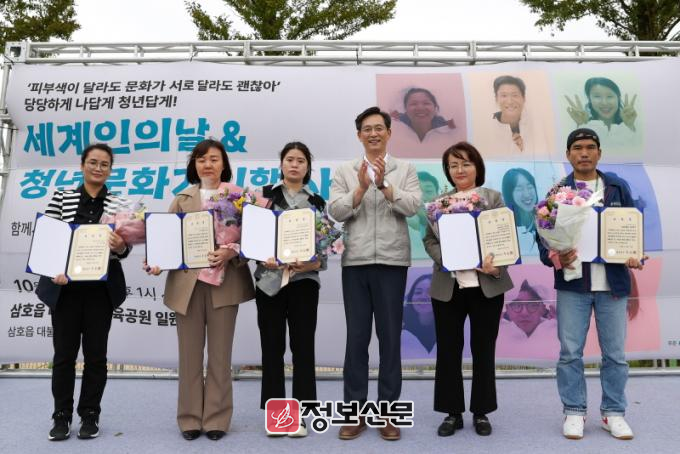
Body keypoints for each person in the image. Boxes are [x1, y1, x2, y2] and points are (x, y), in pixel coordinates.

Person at [537, 128, 649, 440]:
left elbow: (631, 228)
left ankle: (613, 412)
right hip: (574, 284)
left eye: (590, 147)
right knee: (570, 353)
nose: (584, 153)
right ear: (568, 154)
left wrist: (633, 254)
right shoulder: (558, 192)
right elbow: (542, 239)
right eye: (577, 148)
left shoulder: (616, 187)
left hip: (612, 284)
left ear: (599, 153)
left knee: (615, 355)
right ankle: (574, 411)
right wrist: (557, 255)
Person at [146, 139, 255, 441]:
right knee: (189, 355)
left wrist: (232, 251)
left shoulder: (239, 197)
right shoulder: (182, 198)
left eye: (214, 159)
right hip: (188, 285)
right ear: (194, 165)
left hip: (225, 284)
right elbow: (167, 241)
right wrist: (157, 262)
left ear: (224, 164)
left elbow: (255, 239)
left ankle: (217, 418)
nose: (208, 164)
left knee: (220, 355)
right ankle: (190, 418)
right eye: (201, 159)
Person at [329, 106, 421, 441]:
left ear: (388, 133)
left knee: (390, 339)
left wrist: (384, 186)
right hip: (356, 262)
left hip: (392, 262)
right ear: (359, 135)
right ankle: (354, 413)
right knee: (356, 339)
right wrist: (359, 188)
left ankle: (387, 414)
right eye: (366, 129)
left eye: (379, 128)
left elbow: (412, 207)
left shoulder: (405, 169)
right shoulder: (344, 170)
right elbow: (335, 210)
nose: (373, 134)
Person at [37, 143, 131, 441]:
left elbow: (125, 248)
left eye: (104, 164)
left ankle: (90, 414)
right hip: (64, 290)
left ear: (110, 170)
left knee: (96, 356)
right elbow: (48, 239)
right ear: (82, 165)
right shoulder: (61, 197)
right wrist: (54, 269)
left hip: (100, 291)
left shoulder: (118, 203)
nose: (98, 168)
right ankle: (61, 415)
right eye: (93, 162)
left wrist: (121, 246)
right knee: (64, 356)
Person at [422, 141, 514, 437]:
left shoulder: (492, 198)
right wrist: (446, 258)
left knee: (483, 349)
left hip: (487, 286)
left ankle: (481, 411)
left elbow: (503, 236)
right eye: (453, 165)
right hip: (448, 287)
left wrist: (495, 266)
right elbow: (429, 240)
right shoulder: (438, 204)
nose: (459, 170)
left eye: (465, 163)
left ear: (477, 167)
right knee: (448, 350)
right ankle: (452, 412)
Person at [254, 142, 327, 438]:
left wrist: (311, 263)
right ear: (281, 164)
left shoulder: (317, 202)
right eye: (289, 159)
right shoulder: (263, 196)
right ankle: (278, 417)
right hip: (269, 282)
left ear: (308, 167)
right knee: (272, 348)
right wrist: (261, 254)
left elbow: (324, 250)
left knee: (303, 348)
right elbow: (251, 237)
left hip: (304, 283)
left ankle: (301, 415)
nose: (295, 165)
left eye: (300, 160)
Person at [564, 77, 638, 148]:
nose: (604, 103)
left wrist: (629, 126)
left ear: (618, 98)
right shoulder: (584, 125)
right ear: (590, 100)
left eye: (609, 96)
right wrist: (583, 126)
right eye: (597, 96)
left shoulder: (633, 125)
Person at [496, 279, 559, 360]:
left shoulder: (555, 331)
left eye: (532, 305)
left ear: (543, 308)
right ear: (507, 309)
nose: (524, 313)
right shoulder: (500, 331)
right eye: (517, 305)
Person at [487, 75, 549, 156]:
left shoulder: (536, 124)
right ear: (496, 99)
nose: (510, 101)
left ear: (524, 98)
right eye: (504, 95)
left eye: (515, 95)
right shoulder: (488, 126)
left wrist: (523, 150)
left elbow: (542, 154)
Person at [501, 168, 538, 255]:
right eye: (519, 189)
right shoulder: (505, 226)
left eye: (530, 187)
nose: (527, 194)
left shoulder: (547, 217)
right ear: (509, 194)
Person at [401, 273, 436, 359]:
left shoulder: (446, 324)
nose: (423, 297)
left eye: (430, 292)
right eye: (418, 292)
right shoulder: (402, 323)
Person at [407, 171, 440, 259]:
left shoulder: (446, 225)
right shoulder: (403, 230)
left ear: (438, 195)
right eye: (417, 192)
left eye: (428, 191)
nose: (423, 198)